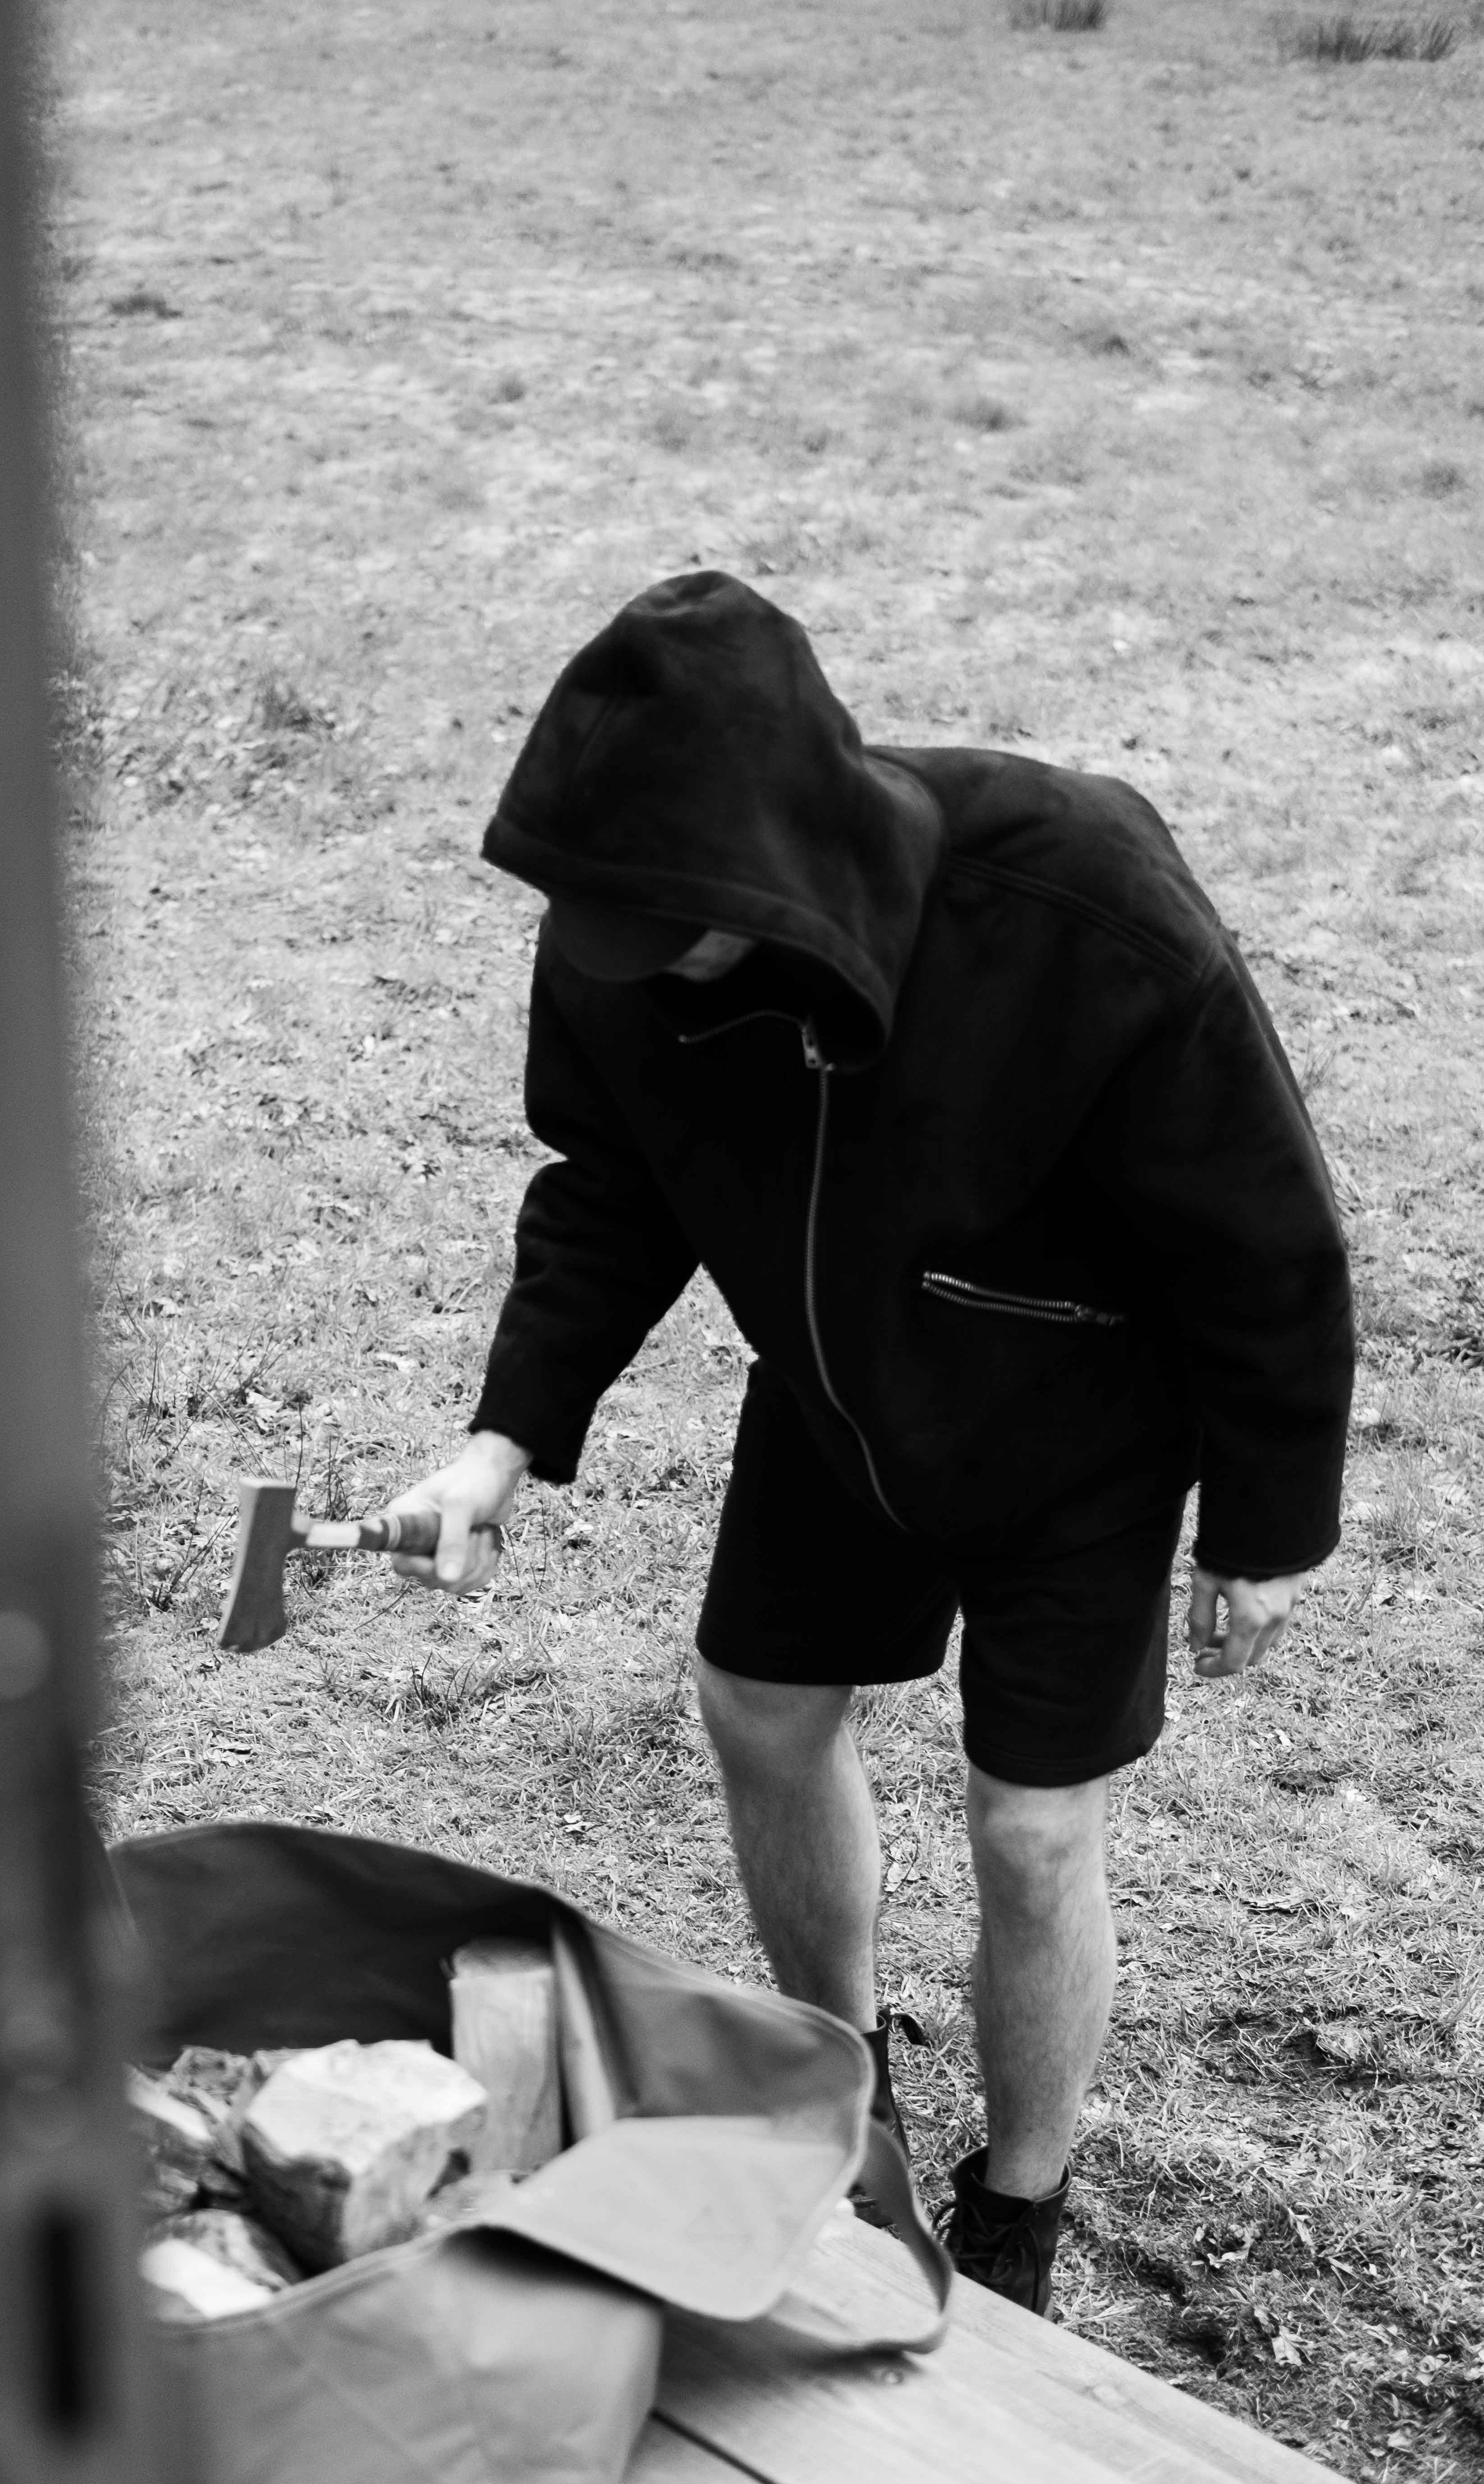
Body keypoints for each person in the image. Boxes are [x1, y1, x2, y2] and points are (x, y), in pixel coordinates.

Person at [386, 571, 1353, 2314]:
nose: (628, 959)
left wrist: (1268, 1519)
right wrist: (504, 1436)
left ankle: (1018, 2219)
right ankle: (842, 2097)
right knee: (759, 1707)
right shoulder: (628, 933)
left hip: (1079, 1423)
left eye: (665, 922)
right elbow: (609, 1189)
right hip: (834, 1399)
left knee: (1031, 1833)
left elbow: (1263, 1233)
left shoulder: (1081, 908)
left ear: (773, 853)